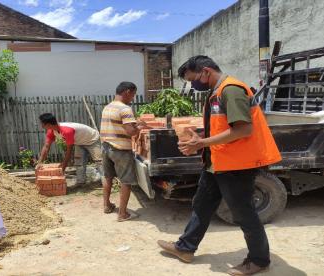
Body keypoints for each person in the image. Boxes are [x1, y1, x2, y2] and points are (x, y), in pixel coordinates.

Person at [156, 56, 282, 275]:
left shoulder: (231, 90)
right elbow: (223, 127)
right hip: (217, 162)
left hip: (237, 166)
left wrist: (201, 143)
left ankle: (259, 260)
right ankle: (185, 247)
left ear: (205, 71)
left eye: (193, 79)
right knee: (201, 204)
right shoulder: (216, 92)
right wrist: (201, 136)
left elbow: (243, 129)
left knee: (244, 213)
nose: (193, 85)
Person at [100, 81, 146, 221]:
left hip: (106, 146)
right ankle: (122, 214)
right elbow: (131, 132)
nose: (133, 98)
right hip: (120, 150)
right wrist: (140, 126)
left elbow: (117, 125)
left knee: (108, 177)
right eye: (133, 95)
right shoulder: (125, 109)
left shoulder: (108, 107)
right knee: (126, 181)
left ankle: (107, 206)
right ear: (127, 91)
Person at [37, 113, 101, 186]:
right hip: (79, 142)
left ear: (48, 124)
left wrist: (63, 168)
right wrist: (40, 162)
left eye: (42, 124)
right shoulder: (51, 130)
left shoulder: (66, 130)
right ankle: (81, 183)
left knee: (99, 161)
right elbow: (46, 146)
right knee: (79, 163)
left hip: (92, 139)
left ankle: (106, 181)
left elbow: (69, 150)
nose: (41, 125)